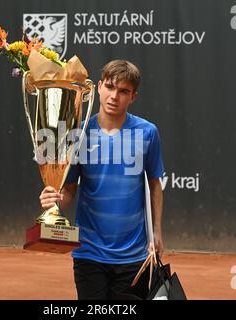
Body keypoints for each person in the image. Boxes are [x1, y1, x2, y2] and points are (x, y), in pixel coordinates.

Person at [39, 60, 165, 300]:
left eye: (123, 91)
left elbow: (155, 184)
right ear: (98, 87)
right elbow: (69, 191)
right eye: (109, 87)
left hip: (134, 256)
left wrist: (157, 232)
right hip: (88, 253)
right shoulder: (77, 134)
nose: (114, 96)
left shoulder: (147, 132)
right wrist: (54, 201)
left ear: (133, 97)